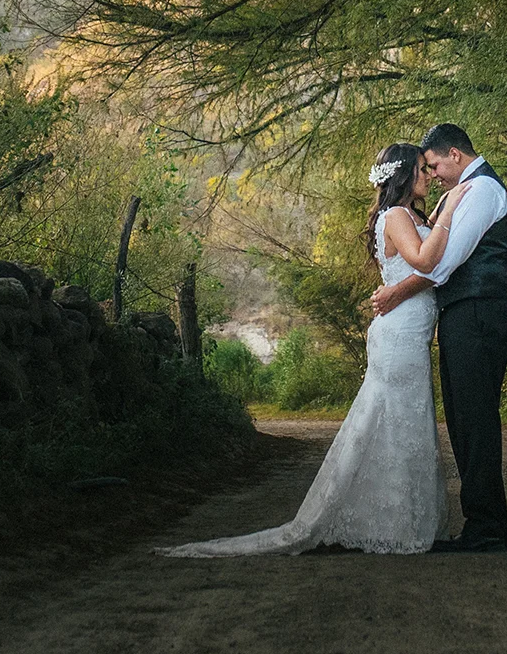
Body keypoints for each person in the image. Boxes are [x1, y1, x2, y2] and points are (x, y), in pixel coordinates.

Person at [157, 142, 470, 556]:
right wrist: (450, 210)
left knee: (401, 424)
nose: (428, 175)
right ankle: (394, 525)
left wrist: (439, 210)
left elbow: (424, 258)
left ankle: (396, 520)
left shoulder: (408, 214)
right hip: (399, 335)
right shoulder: (395, 216)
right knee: (396, 424)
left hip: (407, 331)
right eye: (421, 169)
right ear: (401, 176)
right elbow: (426, 262)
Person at [368, 123, 507, 553]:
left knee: (475, 417)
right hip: (464, 311)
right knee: (464, 417)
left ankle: (488, 527)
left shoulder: (481, 191)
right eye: (423, 169)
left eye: (432, 165)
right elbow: (431, 247)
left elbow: (441, 264)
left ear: (454, 155)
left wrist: (397, 291)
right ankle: (483, 523)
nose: (431, 175)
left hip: (479, 310)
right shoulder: (457, 195)